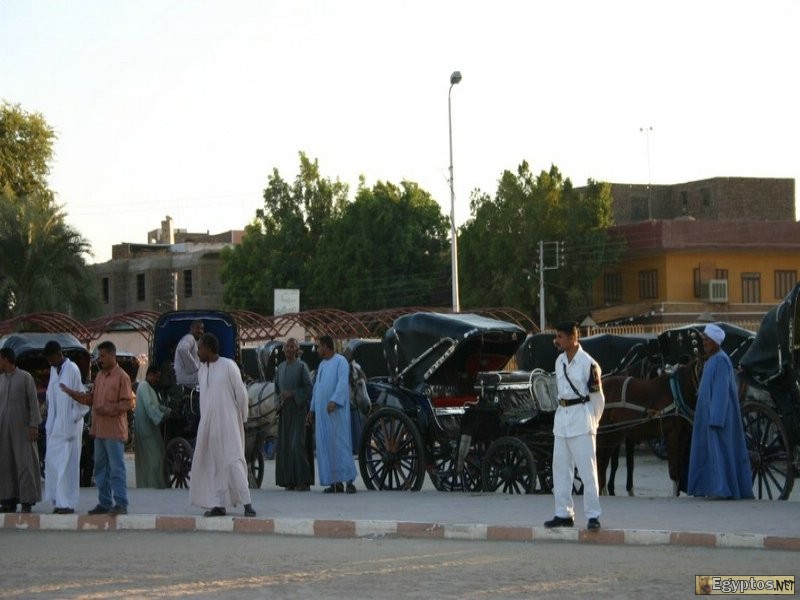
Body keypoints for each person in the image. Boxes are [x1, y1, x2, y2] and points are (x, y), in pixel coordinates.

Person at [544, 321, 605, 531]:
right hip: (562, 420)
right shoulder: (559, 361)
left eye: (561, 337)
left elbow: (598, 399)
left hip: (582, 419)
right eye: (557, 336)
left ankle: (593, 515)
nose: (557, 341)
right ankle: (563, 513)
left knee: (588, 472)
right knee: (560, 470)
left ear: (573, 338)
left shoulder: (589, 364)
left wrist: (592, 422)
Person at [61, 340, 133, 516]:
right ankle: (105, 502)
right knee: (100, 468)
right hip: (99, 430)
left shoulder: (122, 377)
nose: (99, 359)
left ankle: (121, 503)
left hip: (114, 431)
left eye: (102, 356)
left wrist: (107, 409)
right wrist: (72, 393)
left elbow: (127, 403)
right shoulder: (100, 376)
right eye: (99, 356)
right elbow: (91, 398)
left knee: (116, 468)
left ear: (112, 355)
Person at [189, 333, 255, 517]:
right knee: (214, 465)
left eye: (200, 348)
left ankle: (247, 503)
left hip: (228, 423)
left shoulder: (228, 366)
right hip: (208, 426)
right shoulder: (202, 371)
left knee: (233, 461)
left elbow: (241, 395)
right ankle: (218, 504)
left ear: (209, 349)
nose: (198, 352)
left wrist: (242, 419)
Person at [687, 324, 753, 499]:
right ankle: (710, 487)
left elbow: (721, 391)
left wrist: (715, 417)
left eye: (708, 340)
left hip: (718, 417)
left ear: (716, 342)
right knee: (709, 452)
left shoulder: (722, 360)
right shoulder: (711, 360)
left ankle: (721, 489)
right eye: (704, 340)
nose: (705, 343)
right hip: (707, 416)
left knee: (719, 452)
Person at [43, 340, 89, 514]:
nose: (50, 363)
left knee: (67, 466)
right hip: (55, 428)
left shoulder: (72, 369)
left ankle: (67, 503)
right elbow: (51, 397)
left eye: (51, 359)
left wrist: (71, 419)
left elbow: (82, 401)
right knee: (53, 464)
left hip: (69, 427)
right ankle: (58, 500)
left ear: (58, 354)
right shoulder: (54, 371)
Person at [306, 335, 357, 494]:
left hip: (336, 412)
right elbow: (317, 389)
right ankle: (334, 483)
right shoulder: (321, 365)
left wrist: (334, 400)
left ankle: (349, 481)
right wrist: (312, 409)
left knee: (341, 445)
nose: (317, 350)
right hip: (322, 415)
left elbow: (342, 383)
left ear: (326, 346)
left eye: (319, 346)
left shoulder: (341, 361)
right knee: (326, 447)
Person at [0, 347, 42, 514]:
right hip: (3, 429)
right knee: (5, 463)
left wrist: (34, 425)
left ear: (6, 359)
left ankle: (27, 500)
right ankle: (8, 499)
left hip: (22, 428)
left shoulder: (25, 377)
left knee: (25, 463)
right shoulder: (1, 380)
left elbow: (33, 402)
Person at [274, 338, 314, 491]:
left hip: (298, 411)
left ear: (297, 350)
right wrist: (278, 403)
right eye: (287, 346)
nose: (289, 349)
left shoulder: (302, 367)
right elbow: (277, 389)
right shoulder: (281, 367)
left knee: (296, 444)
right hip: (285, 412)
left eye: (292, 346)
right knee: (285, 446)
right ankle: (289, 480)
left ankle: (303, 481)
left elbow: (308, 388)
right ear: (284, 350)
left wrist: (293, 394)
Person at [134, 365, 170, 489]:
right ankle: (151, 484)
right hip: (146, 430)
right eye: (156, 376)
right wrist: (160, 417)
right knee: (153, 458)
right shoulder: (144, 386)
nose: (157, 380)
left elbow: (157, 406)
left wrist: (168, 411)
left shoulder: (149, 388)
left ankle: (154, 483)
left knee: (156, 456)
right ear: (149, 374)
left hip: (151, 430)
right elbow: (150, 407)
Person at [343, 347, 368, 454]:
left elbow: (361, 380)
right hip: (348, 399)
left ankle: (357, 447)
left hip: (354, 399)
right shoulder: (345, 367)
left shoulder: (355, 367)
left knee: (356, 423)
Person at [174, 320, 203, 389]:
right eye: (198, 328)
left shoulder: (195, 342)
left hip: (190, 378)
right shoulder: (189, 337)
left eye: (202, 329)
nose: (200, 331)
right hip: (187, 377)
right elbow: (183, 350)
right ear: (191, 328)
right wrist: (194, 369)